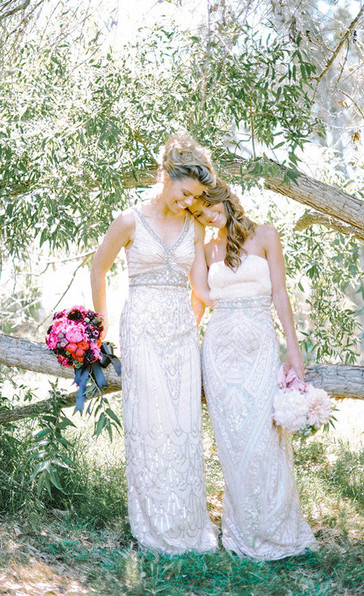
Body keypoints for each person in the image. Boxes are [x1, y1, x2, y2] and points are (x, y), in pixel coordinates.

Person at [90, 134, 218, 554]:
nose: (188, 202)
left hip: (181, 331)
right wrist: (101, 324)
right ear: (166, 177)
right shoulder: (129, 220)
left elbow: (199, 286)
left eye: (195, 197)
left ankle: (186, 520)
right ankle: (153, 523)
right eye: (184, 193)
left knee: (182, 425)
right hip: (142, 327)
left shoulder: (195, 226)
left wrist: (225, 310)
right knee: (149, 423)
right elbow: (98, 266)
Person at [190, 181, 317, 560]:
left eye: (209, 207)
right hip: (219, 349)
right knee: (231, 440)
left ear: (224, 198)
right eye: (198, 213)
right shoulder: (207, 248)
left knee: (264, 435)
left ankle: (275, 528)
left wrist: (293, 349)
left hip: (260, 345)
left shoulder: (266, 235)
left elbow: (280, 293)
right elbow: (200, 295)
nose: (207, 216)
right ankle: (242, 530)